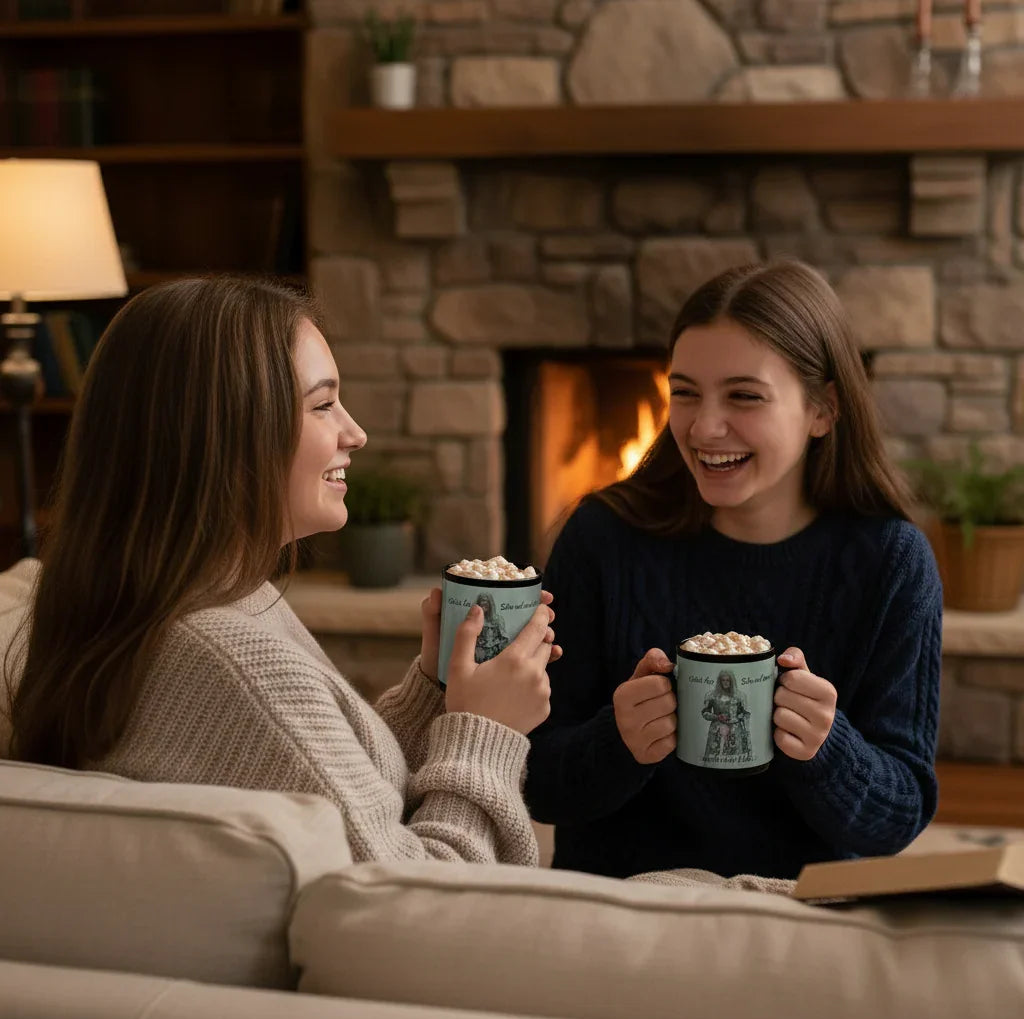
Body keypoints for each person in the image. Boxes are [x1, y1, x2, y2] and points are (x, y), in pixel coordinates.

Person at [6, 276, 559, 866]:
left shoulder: (189, 599)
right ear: (226, 435)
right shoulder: (229, 657)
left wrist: (432, 692)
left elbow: (319, 785)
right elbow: (421, 904)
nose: (355, 433)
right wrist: (486, 731)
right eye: (323, 405)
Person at [524, 260, 942, 880]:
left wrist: (830, 751)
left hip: (800, 913)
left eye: (744, 396)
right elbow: (536, 780)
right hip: (625, 909)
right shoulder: (602, 540)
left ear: (823, 410)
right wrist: (618, 744)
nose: (703, 427)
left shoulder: (890, 563)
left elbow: (897, 817)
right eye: (685, 392)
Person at [701, 670, 752, 762]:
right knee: (715, 758)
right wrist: (717, 717)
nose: (725, 682)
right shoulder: (712, 695)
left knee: (736, 759)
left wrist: (740, 717)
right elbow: (705, 713)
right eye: (723, 680)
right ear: (719, 681)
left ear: (732, 681)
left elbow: (743, 712)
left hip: (735, 731)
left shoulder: (740, 696)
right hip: (717, 730)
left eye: (728, 680)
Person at [473, 592, 511, 663]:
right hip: (479, 654)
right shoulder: (474, 619)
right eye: (482, 600)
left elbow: (504, 638)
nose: (483, 603)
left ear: (490, 603)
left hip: (494, 654)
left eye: (486, 601)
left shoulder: (498, 619)